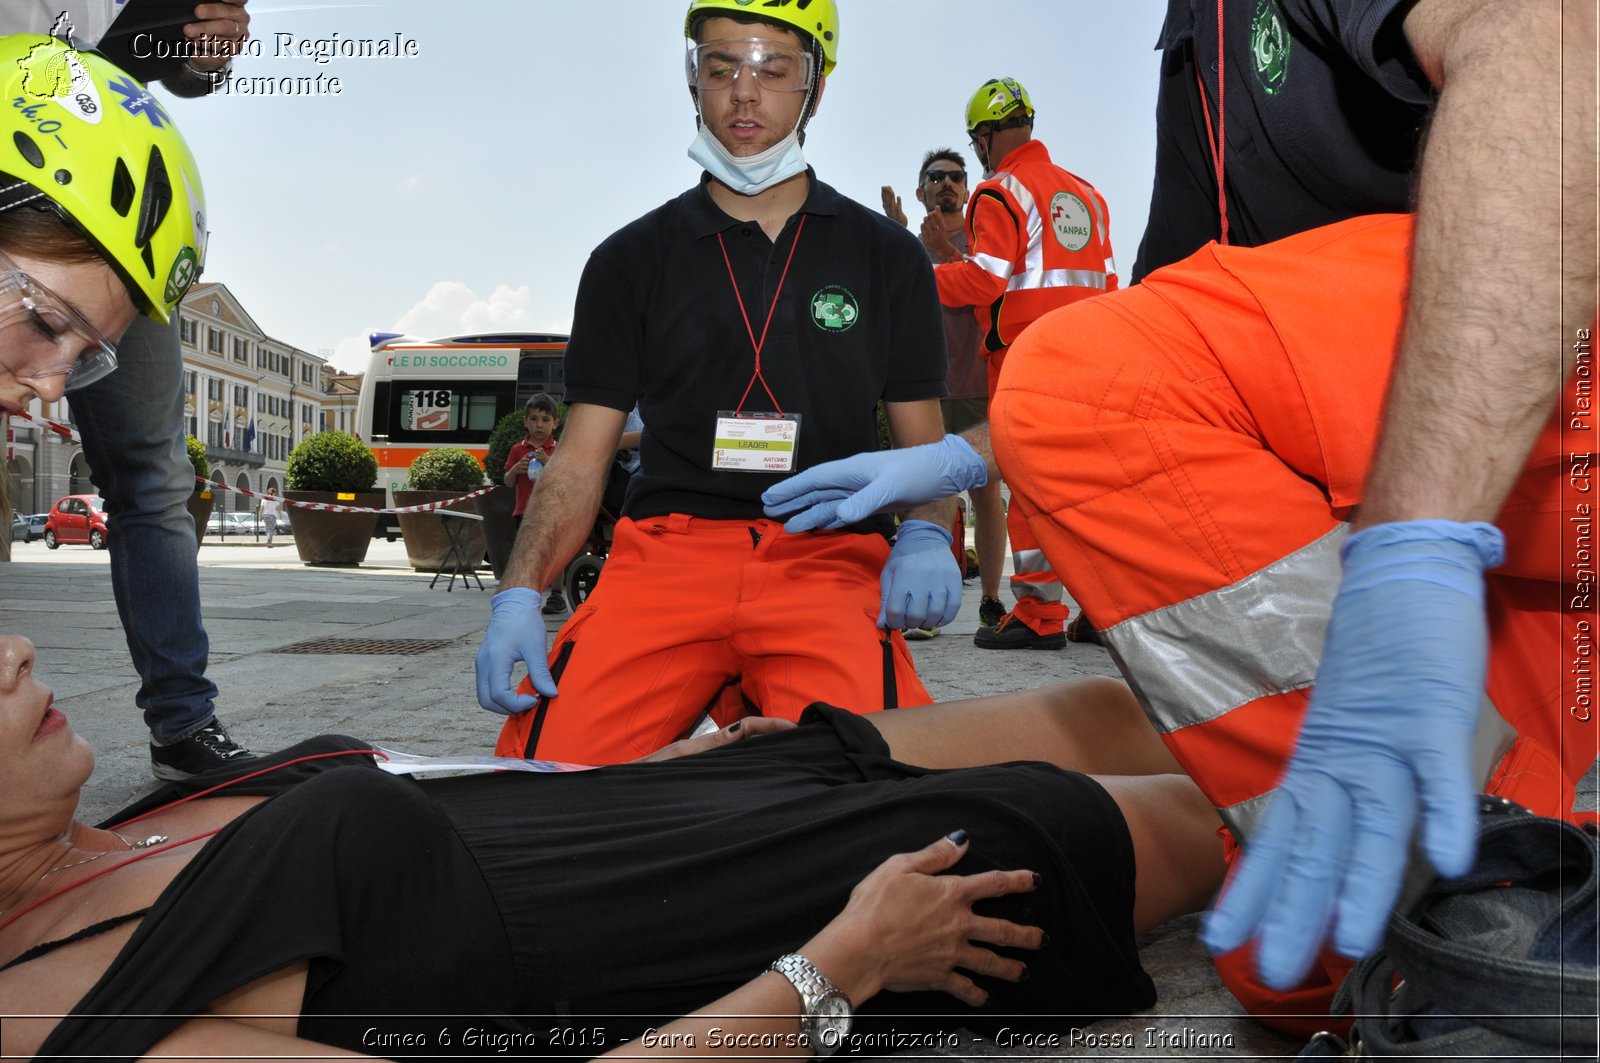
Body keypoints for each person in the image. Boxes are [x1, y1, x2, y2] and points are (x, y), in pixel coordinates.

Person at [759, 0, 1595, 1030]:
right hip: (1516, 497)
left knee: (1079, 382)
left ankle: (1487, 856)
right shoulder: (1193, 57)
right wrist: (959, 455)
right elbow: (1173, 340)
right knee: (1297, 965)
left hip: (1550, 332)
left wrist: (1416, 535)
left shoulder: (1016, 191)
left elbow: (1555, 52)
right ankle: (1525, 862)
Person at [0, 633, 1227, 1058]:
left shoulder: (120, 824)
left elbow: (432, 813)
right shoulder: (49, 1019)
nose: (11, 657)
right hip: (768, 910)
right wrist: (846, 964)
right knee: (1208, 820)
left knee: (1134, 707)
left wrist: (624, 770)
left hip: (687, 796)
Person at [475, 0, 962, 765]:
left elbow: (925, 449)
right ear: (692, 80)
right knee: (540, 782)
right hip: (666, 557)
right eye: (720, 65)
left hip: (826, 555)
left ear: (816, 87)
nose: (744, 91)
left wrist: (931, 528)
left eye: (774, 68)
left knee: (890, 785)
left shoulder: (888, 257)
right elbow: (579, 458)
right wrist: (520, 590)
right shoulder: (628, 260)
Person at [0, 28, 256, 781]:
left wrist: (196, 40)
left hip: (99, 175)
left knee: (153, 475)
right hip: (36, 162)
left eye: (83, 358)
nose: (52, 389)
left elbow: (182, 65)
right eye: (45, 324)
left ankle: (185, 723)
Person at [924, 78, 1117, 651]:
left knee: (1032, 485)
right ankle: (1105, 610)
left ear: (985, 136)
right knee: (1089, 489)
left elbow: (986, 277)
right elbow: (1108, 282)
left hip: (1026, 358)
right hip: (1089, 353)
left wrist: (925, 278)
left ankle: (1037, 613)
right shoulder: (1086, 194)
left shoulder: (999, 191)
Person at [881, 149, 1009, 638]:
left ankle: (993, 601)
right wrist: (898, 237)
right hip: (926, 389)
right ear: (921, 191)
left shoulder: (984, 238)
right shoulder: (904, 247)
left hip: (979, 381)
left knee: (986, 495)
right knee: (929, 494)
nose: (947, 184)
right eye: (936, 177)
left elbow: (992, 291)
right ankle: (926, 610)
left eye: (956, 176)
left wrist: (945, 252)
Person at [504, 394, 567, 615]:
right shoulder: (517, 449)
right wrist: (515, 470)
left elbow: (563, 477)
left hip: (552, 510)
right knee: (526, 555)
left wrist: (548, 462)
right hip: (524, 510)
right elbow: (508, 481)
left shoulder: (558, 449)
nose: (539, 425)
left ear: (555, 424)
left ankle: (557, 595)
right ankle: (528, 595)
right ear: (525, 421)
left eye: (545, 420)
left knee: (552, 554)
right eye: (534, 419)